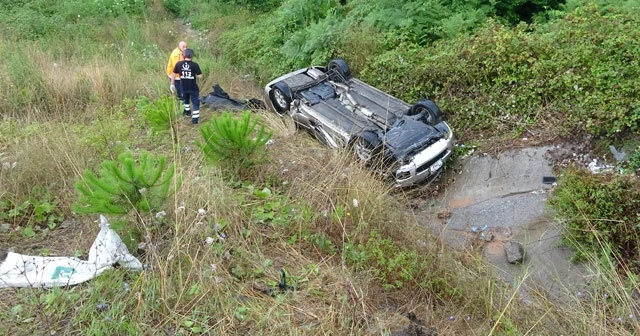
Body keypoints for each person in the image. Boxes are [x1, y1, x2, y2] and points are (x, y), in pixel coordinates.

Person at [171, 48, 203, 124]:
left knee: (185, 100)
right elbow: (200, 76)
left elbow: (173, 74)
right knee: (195, 102)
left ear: (183, 55)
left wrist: (172, 84)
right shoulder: (195, 65)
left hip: (183, 87)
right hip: (193, 87)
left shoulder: (178, 64)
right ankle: (195, 120)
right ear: (192, 56)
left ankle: (187, 113)